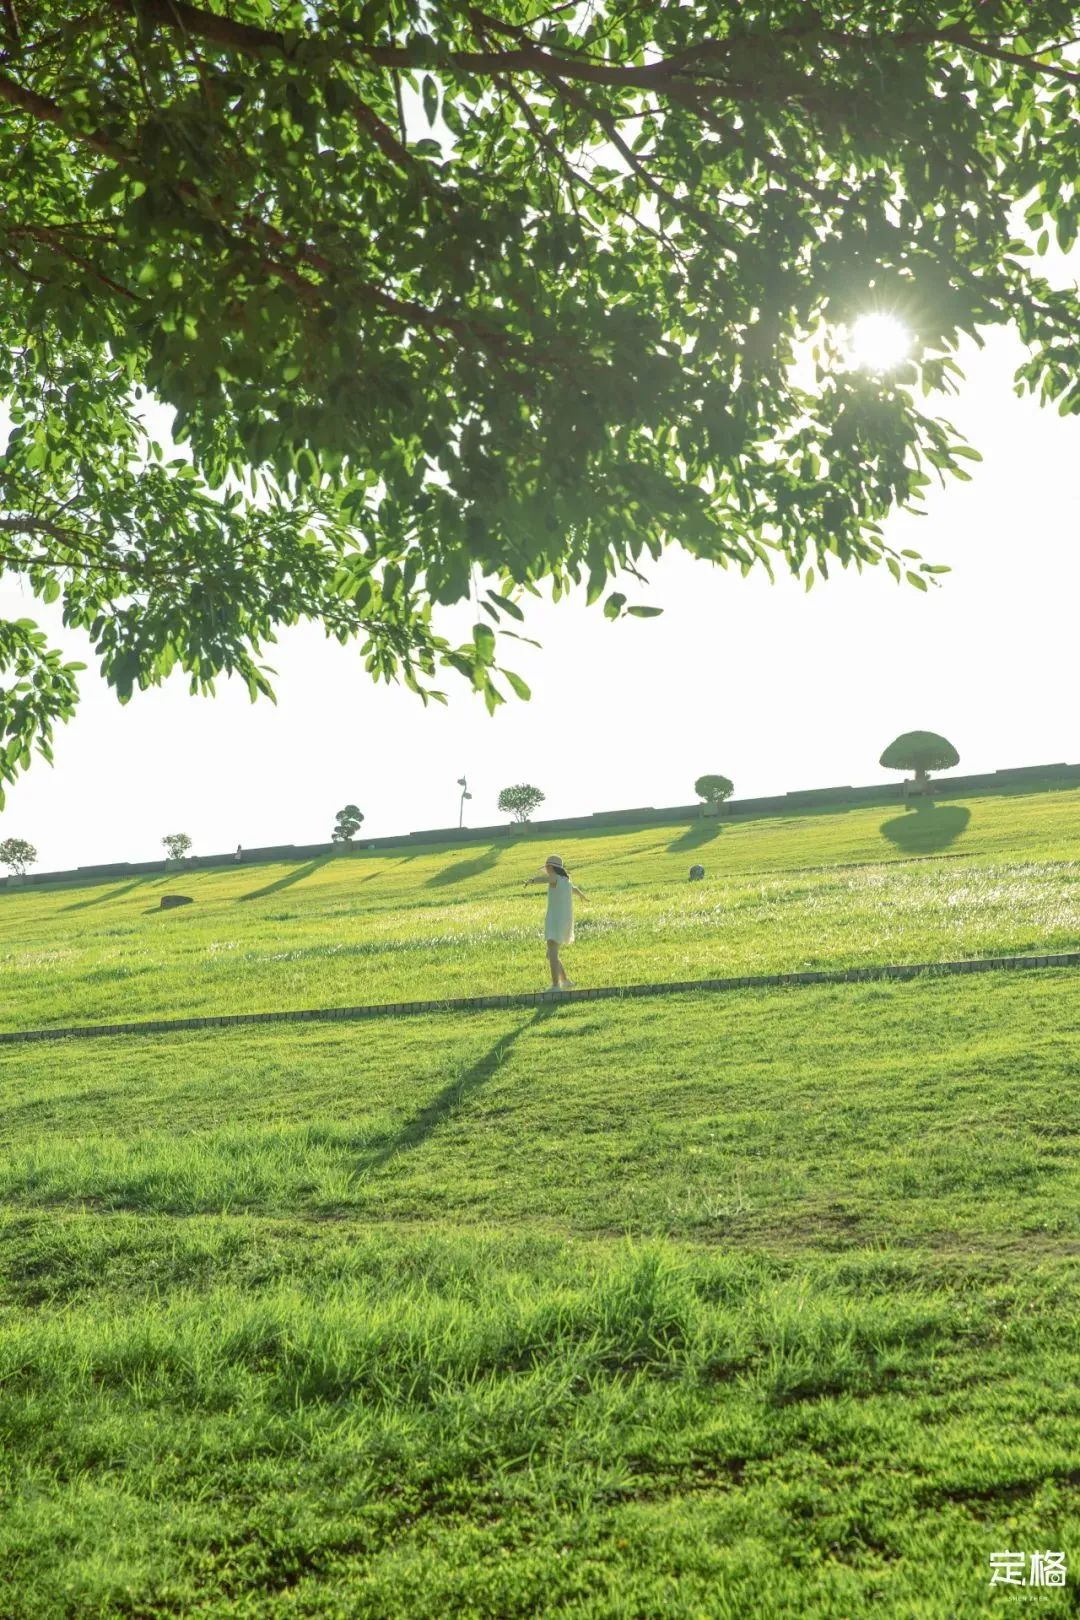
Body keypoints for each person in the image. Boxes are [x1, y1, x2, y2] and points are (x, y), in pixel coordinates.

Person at [523, 853, 586, 990]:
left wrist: (531, 881)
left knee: (552, 952)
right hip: (562, 920)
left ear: (550, 867)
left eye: (547, 868)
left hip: (555, 919)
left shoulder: (555, 878)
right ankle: (565, 981)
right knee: (551, 952)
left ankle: (556, 985)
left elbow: (545, 879)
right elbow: (574, 890)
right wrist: (581, 895)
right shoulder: (566, 881)